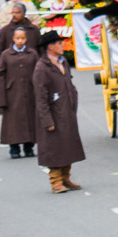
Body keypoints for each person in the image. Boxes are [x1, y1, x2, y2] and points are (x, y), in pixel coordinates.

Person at [31, 29, 85, 194]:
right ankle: (55, 182)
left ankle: (65, 177)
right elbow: (40, 97)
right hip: (53, 113)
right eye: (59, 43)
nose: (62, 46)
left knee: (67, 145)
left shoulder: (62, 62)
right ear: (50, 47)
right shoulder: (42, 68)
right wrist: (47, 120)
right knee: (53, 147)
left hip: (66, 110)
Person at [0, 18, 39, 162]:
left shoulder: (32, 54)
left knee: (30, 118)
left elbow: (38, 73)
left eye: (22, 38)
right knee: (13, 121)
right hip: (12, 92)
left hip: (29, 92)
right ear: (13, 39)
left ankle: (29, 146)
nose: (20, 41)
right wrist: (2, 96)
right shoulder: (6, 55)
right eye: (17, 38)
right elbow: (1, 75)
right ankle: (14, 148)